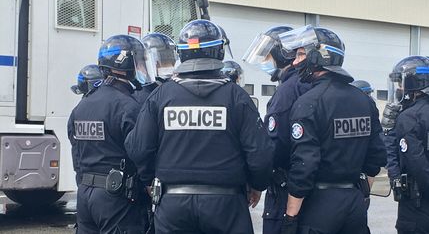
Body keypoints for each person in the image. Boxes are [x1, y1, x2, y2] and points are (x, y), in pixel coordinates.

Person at [125, 20, 274, 234]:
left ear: (182, 53)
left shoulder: (160, 96)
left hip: (173, 205)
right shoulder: (237, 97)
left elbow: (138, 147)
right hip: (227, 206)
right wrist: (257, 185)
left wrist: (149, 181)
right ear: (218, 51)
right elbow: (260, 153)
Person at [278, 25, 387, 234]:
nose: (294, 62)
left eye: (301, 54)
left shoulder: (308, 103)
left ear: (319, 57)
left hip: (319, 206)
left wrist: (290, 215)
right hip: (355, 203)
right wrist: (361, 195)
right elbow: (377, 157)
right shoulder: (364, 101)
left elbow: (304, 164)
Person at [67, 34, 155, 233]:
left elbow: (76, 154)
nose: (141, 68)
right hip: (116, 199)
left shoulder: (81, 107)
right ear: (127, 65)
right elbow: (140, 153)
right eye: (139, 62)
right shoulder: (127, 107)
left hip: (84, 196)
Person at [243, 25, 311, 234]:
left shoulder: (287, 91)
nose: (266, 62)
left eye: (269, 56)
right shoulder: (308, 84)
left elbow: (274, 146)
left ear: (284, 55)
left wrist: (257, 181)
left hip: (285, 189)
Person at [387, 55, 429, 234]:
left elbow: (416, 165)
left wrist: (388, 132)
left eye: (400, 83)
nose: (399, 88)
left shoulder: (409, 117)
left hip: (419, 205)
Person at [133, 33, 178, 105]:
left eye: (170, 59)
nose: (169, 65)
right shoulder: (140, 97)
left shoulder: (176, 89)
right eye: (164, 61)